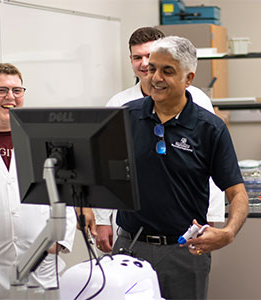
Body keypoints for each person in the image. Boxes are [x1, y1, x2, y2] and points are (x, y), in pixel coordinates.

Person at [101, 36, 248, 300]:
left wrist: (228, 232)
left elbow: (237, 193)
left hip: (185, 252)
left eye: (167, 71)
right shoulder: (124, 117)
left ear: (188, 78)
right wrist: (87, 208)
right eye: (152, 68)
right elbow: (100, 169)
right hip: (129, 248)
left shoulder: (209, 128)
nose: (155, 77)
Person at [94, 27, 226, 253]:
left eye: (150, 57)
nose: (145, 64)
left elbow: (211, 167)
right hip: (131, 226)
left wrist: (210, 216)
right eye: (138, 57)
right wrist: (102, 218)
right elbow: (106, 165)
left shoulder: (198, 101)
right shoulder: (119, 105)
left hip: (184, 224)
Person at [0, 63, 76, 298]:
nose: (11, 97)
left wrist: (60, 241)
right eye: (1, 90)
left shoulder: (44, 139)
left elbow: (64, 192)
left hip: (42, 265)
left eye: (17, 90)